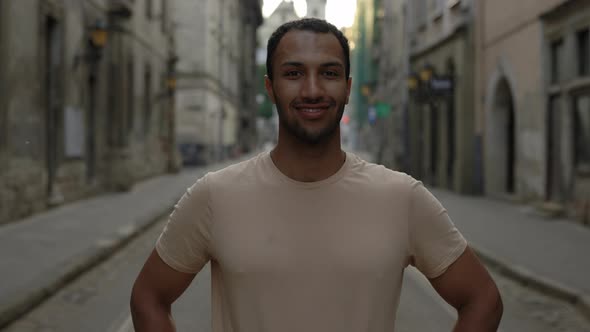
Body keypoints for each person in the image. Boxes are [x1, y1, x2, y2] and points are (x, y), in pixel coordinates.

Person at [130, 18, 503, 331]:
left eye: (329, 73)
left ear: (347, 88)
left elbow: (482, 299)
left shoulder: (401, 197)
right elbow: (148, 297)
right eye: (293, 73)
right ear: (270, 88)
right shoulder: (214, 196)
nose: (312, 90)